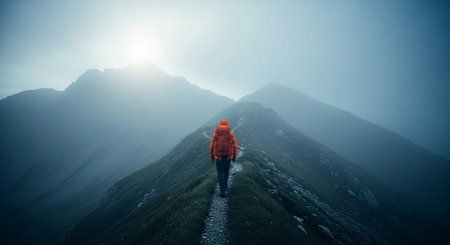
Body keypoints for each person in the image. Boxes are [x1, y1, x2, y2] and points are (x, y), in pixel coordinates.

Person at [209, 120, 237, 197]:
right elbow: (235, 146)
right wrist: (234, 157)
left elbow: (211, 146)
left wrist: (212, 156)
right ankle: (225, 186)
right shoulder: (230, 134)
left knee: (220, 173)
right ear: (227, 125)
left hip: (218, 157)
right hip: (228, 157)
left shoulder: (216, 134)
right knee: (226, 172)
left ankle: (222, 190)